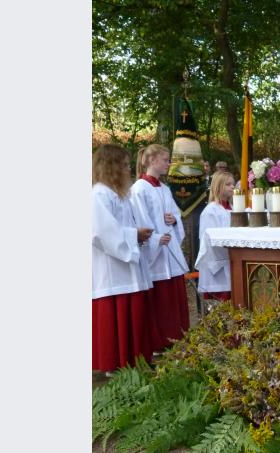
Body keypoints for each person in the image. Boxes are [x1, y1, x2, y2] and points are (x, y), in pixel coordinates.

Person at [92, 144, 154, 373]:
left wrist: (138, 233)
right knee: (115, 318)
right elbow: (100, 232)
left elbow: (123, 226)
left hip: (127, 265)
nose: (129, 170)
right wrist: (133, 235)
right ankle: (114, 363)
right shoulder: (99, 194)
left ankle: (133, 361)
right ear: (111, 167)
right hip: (112, 270)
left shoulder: (120, 194)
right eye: (125, 165)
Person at [130, 144, 190, 351]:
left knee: (173, 299)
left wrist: (175, 219)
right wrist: (154, 239)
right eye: (165, 159)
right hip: (155, 251)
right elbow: (139, 218)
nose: (169, 163)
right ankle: (159, 341)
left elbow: (175, 214)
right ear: (151, 160)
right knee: (160, 301)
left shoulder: (165, 189)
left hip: (169, 247)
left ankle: (177, 337)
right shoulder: (139, 188)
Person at [195, 171, 235, 302]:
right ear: (218, 186)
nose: (232, 187)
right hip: (217, 267)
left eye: (233, 184)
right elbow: (208, 241)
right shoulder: (211, 211)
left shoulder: (234, 209)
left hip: (232, 262)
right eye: (228, 184)